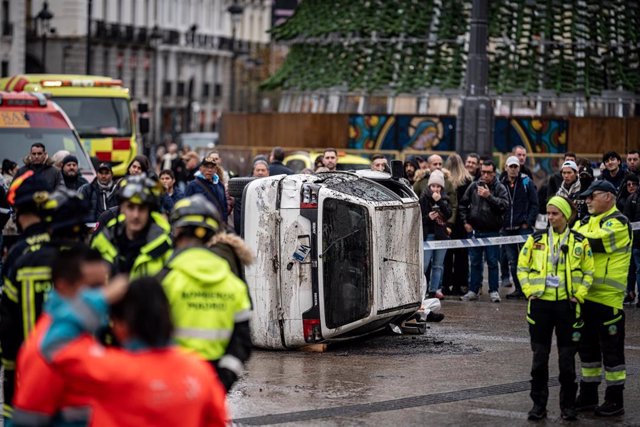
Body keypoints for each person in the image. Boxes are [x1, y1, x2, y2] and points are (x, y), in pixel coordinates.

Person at [38, 275, 229, 426]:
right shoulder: (200, 371)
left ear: (122, 326)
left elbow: (54, 344)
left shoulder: (111, 371)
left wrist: (101, 298)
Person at [0, 187, 89, 422]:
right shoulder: (96, 265)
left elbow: (7, 326)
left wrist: (11, 370)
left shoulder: (24, 261)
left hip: (32, 374)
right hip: (83, 379)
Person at [162, 195, 252, 392]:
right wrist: (222, 381)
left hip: (172, 385)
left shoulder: (166, 280)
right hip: (215, 386)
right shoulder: (233, 284)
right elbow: (242, 342)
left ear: (176, 232)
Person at [11, 246, 109, 426]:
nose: (104, 295)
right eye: (94, 287)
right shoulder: (45, 349)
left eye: (104, 285)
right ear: (63, 286)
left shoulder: (81, 332)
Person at [517, 196, 594, 421]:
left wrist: (579, 296)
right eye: (548, 213)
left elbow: (589, 272)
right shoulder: (536, 238)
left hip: (567, 307)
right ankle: (538, 405)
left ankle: (568, 406)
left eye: (555, 213)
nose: (550, 218)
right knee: (539, 359)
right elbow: (522, 266)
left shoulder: (580, 241)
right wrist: (528, 290)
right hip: (540, 305)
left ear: (565, 215)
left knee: (567, 361)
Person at [573, 180, 632, 416]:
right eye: (585, 197)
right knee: (586, 351)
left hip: (608, 301)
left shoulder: (619, 223)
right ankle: (588, 396)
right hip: (585, 298)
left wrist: (574, 238)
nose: (587, 201)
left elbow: (591, 244)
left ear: (608, 196)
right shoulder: (586, 221)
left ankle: (615, 400)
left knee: (612, 354)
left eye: (592, 196)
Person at [91, 174, 173, 278]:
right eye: (130, 207)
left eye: (142, 208)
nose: (136, 215)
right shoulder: (103, 241)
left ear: (150, 211)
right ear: (121, 209)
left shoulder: (165, 247)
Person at [459, 160, 509, 302]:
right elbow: (463, 204)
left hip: (492, 231)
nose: (485, 175)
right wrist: (465, 222)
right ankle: (473, 290)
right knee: (474, 262)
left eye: (488, 173)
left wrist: (489, 196)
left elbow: (504, 206)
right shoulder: (474, 186)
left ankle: (493, 290)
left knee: (493, 262)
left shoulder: (499, 187)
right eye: (483, 172)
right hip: (475, 230)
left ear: (494, 173)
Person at [500, 156, 538, 299]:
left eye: (516, 166)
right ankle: (518, 289)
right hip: (507, 229)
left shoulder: (527, 182)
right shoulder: (501, 183)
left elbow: (535, 204)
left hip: (523, 228)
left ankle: (529, 288)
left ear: (519, 168)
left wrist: (528, 222)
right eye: (511, 166)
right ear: (506, 167)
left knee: (527, 260)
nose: (514, 169)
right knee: (513, 261)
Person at [442, 153, 473, 296]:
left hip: (447, 220)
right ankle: (460, 284)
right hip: (461, 222)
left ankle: (445, 284)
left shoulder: (444, 179)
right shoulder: (467, 180)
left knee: (447, 255)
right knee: (462, 255)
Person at [419, 171, 451, 299]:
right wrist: (428, 217)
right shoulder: (423, 198)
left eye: (438, 186)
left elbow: (448, 214)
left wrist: (441, 202)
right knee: (425, 264)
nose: (436, 189)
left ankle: (433, 291)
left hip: (441, 236)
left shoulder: (445, 198)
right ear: (429, 186)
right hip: (428, 235)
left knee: (438, 265)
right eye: (433, 186)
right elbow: (418, 217)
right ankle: (422, 289)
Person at [185, 157, 228, 221]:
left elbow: (224, 208)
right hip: (201, 225)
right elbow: (187, 208)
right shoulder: (193, 185)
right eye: (206, 167)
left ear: (216, 170)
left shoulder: (220, 185)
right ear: (200, 169)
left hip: (218, 225)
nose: (209, 170)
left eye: (212, 167)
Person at [623, 174, 640, 307]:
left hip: (635, 241)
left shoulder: (632, 198)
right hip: (631, 241)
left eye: (633, 184)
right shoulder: (629, 198)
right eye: (628, 185)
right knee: (631, 269)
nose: (631, 187)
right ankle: (630, 293)